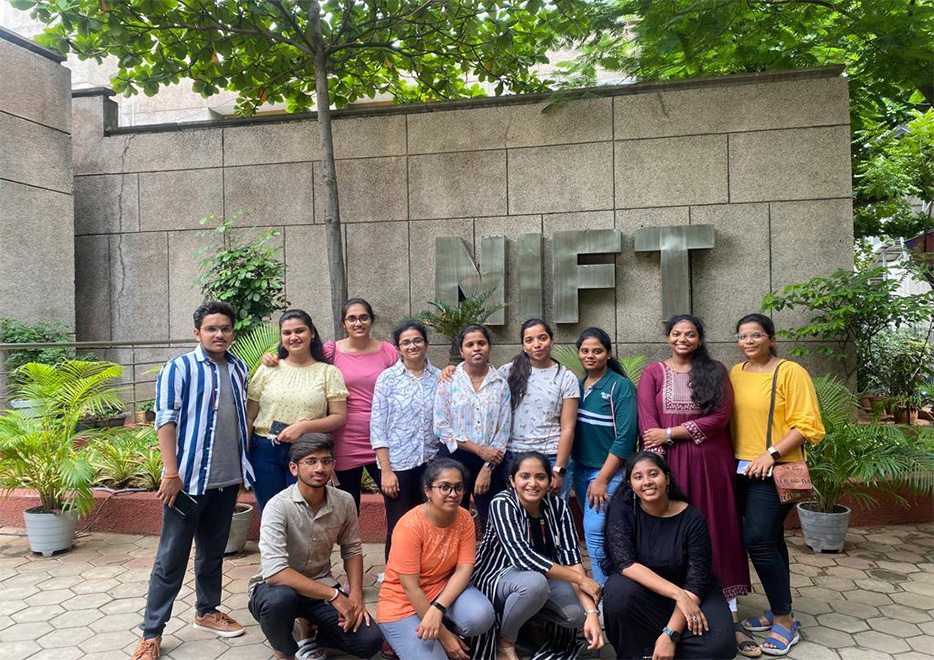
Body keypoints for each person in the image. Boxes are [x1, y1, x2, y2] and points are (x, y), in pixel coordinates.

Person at [131, 302, 254, 660]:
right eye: (212, 328)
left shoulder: (238, 367)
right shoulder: (179, 368)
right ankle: (151, 633)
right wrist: (171, 473)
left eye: (226, 328)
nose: (220, 334)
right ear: (197, 332)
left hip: (227, 479)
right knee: (171, 556)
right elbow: (165, 420)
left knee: (213, 551)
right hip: (188, 482)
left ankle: (206, 611)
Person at [638, 315, 755, 657]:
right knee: (674, 531)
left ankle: (728, 616)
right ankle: (672, 608)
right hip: (670, 466)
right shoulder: (653, 373)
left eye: (690, 334)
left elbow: (720, 418)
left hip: (710, 464)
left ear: (700, 339)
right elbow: (648, 421)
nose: (683, 339)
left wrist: (671, 433)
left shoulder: (716, 370)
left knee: (717, 530)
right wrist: (657, 468)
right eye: (677, 333)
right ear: (668, 338)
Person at [731, 314, 825, 657]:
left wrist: (770, 454)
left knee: (757, 540)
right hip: (738, 469)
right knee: (771, 540)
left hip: (775, 469)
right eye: (743, 336)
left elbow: (807, 424)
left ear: (771, 338)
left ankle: (785, 621)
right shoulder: (735, 373)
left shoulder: (790, 371)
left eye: (756, 335)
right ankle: (778, 607)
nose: (749, 341)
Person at [247, 434, 383, 660]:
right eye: (311, 461)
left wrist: (356, 597)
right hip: (275, 589)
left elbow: (352, 549)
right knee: (278, 602)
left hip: (319, 586)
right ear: (294, 468)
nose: (320, 468)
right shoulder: (278, 506)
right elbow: (274, 573)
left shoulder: (344, 500)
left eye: (326, 461)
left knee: (370, 641)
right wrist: (335, 596)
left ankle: (313, 632)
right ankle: (284, 650)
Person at [261, 298, 397, 512]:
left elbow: (410, 371)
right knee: (345, 506)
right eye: (351, 318)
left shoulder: (388, 351)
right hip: (344, 439)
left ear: (371, 320)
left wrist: (445, 372)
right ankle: (348, 546)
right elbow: (299, 360)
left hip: (382, 438)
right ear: (344, 323)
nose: (358, 323)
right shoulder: (331, 351)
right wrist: (271, 358)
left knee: (396, 500)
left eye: (363, 317)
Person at [602, 452, 736, 660]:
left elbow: (696, 582)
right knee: (617, 591)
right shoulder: (623, 510)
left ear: (667, 477)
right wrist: (677, 594)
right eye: (638, 477)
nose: (647, 482)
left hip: (693, 595)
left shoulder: (692, 518)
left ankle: (662, 649)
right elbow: (625, 563)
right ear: (630, 484)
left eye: (653, 474)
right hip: (646, 594)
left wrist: (670, 634)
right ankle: (637, 654)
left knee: (719, 645)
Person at [471, 452, 604, 660]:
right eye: (525, 476)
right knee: (535, 584)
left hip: (539, 580)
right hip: (495, 576)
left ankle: (522, 622)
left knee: (576, 614)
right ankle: (505, 642)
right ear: (512, 481)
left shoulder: (558, 506)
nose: (532, 483)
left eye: (540, 477)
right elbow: (522, 557)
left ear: (550, 481)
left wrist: (592, 613)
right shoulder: (502, 503)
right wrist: (581, 580)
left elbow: (572, 558)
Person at [377, 458, 496, 660]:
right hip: (402, 602)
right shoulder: (410, 527)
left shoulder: (464, 517)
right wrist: (445, 637)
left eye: (458, 487)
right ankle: (406, 635)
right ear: (428, 491)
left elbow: (464, 570)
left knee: (481, 617)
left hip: (441, 591)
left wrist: (438, 609)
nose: (453, 494)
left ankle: (438, 625)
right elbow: (410, 587)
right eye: (444, 487)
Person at [247, 310, 348, 513]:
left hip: (308, 450)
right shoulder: (267, 369)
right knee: (271, 511)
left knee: (304, 512)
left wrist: (304, 427)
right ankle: (274, 547)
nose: (293, 337)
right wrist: (243, 454)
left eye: (299, 331)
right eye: (287, 333)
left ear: (311, 333)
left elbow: (339, 416)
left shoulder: (328, 372)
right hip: (265, 450)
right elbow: (250, 415)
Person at [567, 326, 637, 586]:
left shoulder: (621, 386)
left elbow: (625, 438)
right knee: (600, 532)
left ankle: (604, 595)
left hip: (608, 473)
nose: (590, 356)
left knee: (594, 533)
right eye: (585, 351)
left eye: (597, 351)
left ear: (607, 354)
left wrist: (603, 479)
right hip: (581, 470)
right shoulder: (576, 385)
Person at [370, 319, 442, 560]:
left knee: (431, 524)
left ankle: (429, 576)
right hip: (399, 465)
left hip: (432, 464)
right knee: (400, 525)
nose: (412, 346)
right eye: (406, 342)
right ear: (398, 348)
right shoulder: (387, 379)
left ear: (426, 344)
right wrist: (386, 471)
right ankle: (395, 579)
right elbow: (378, 426)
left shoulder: (440, 378)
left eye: (417, 340)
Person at [434, 324, 511, 528]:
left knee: (493, 522)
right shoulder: (448, 380)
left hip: (491, 461)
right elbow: (441, 426)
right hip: (454, 456)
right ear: (462, 351)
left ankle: (491, 560)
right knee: (451, 517)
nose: (476, 348)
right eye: (470, 344)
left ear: (489, 347)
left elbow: (503, 431)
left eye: (481, 343)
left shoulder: (500, 383)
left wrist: (487, 467)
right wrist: (478, 450)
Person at [500, 319, 579, 494]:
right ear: (523, 345)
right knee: (517, 516)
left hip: (551, 457)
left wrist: (559, 469)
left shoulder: (566, 377)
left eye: (542, 338)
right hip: (515, 456)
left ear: (552, 341)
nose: (537, 344)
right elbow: (477, 376)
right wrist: (452, 369)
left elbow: (568, 428)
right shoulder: (507, 372)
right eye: (529, 340)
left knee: (554, 516)